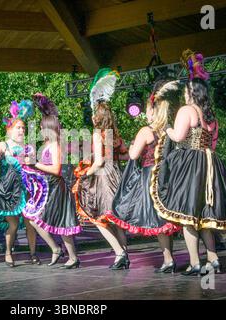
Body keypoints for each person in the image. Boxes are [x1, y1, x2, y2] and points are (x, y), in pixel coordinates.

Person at [151, 51, 226, 275]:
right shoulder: (211, 117)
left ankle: (195, 262)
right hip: (210, 163)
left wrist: (163, 126)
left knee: (188, 215)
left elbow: (177, 137)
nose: (184, 94)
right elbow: (212, 146)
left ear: (191, 93)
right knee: (205, 216)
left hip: (192, 164)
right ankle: (213, 259)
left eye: (186, 91)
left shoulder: (187, 110)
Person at [107, 79, 182, 273]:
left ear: (152, 111)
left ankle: (167, 260)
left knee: (155, 220)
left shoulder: (146, 131)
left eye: (147, 109)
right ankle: (169, 259)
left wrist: (131, 146)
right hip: (167, 176)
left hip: (150, 178)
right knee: (164, 220)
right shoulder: (166, 130)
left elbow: (132, 155)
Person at [72, 68, 130, 270]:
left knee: (99, 219)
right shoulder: (113, 133)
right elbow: (124, 153)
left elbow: (98, 162)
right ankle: (124, 254)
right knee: (114, 218)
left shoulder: (98, 134)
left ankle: (120, 253)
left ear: (97, 116)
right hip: (117, 174)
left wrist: (84, 173)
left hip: (104, 177)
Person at [0, 100, 41, 267]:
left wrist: (30, 161)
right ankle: (8, 252)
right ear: (10, 130)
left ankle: (33, 253)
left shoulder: (29, 147)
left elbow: (35, 167)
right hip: (8, 192)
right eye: (18, 127)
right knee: (13, 225)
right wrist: (0, 155)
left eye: (23, 128)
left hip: (26, 189)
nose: (21, 130)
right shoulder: (3, 144)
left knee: (31, 224)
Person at [24, 93, 82, 269]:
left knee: (63, 222)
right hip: (48, 187)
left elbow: (56, 170)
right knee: (33, 216)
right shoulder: (47, 145)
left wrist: (36, 163)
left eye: (42, 126)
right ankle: (57, 249)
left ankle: (71, 256)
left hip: (56, 188)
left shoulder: (55, 145)